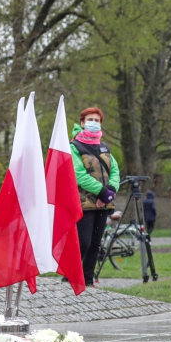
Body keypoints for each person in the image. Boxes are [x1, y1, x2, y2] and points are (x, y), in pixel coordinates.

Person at [71, 107, 120, 287]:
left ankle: (87, 280)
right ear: (82, 123)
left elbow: (114, 170)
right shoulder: (74, 146)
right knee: (83, 242)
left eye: (97, 120)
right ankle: (72, 275)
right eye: (90, 120)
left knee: (95, 244)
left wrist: (111, 190)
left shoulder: (104, 147)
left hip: (104, 203)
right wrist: (102, 192)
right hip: (83, 202)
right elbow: (79, 175)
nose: (94, 123)